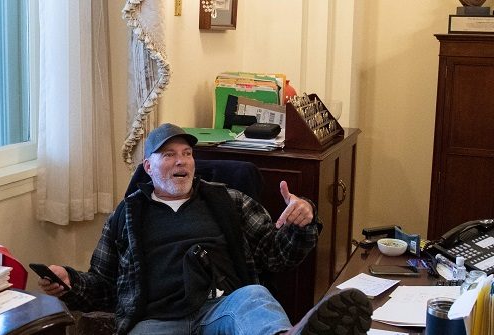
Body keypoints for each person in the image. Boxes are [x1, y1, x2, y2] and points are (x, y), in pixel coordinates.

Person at [38, 123, 372, 335]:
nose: (181, 161)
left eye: (186, 153)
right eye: (168, 155)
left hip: (220, 310)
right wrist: (68, 282)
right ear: (148, 167)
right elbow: (101, 287)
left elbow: (277, 256)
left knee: (254, 296)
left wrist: (303, 221)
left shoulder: (227, 200)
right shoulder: (127, 214)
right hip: (156, 321)